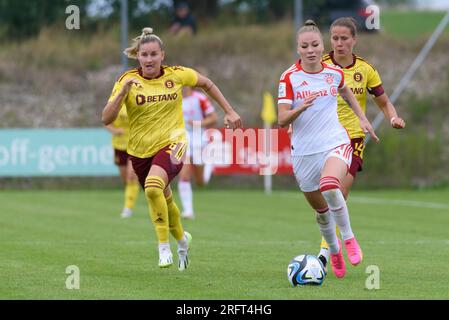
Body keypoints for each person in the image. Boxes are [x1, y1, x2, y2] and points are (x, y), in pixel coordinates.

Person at [101, 27, 241, 271]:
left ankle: (163, 247)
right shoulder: (127, 80)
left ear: (162, 55)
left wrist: (228, 110)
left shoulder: (177, 75)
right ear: (138, 56)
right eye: (144, 54)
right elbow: (106, 118)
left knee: (153, 188)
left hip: (174, 142)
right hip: (140, 150)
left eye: (154, 54)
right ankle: (182, 240)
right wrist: (122, 93)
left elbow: (207, 83)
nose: (149, 59)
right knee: (163, 197)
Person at [277, 20, 379, 278]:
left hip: (335, 141)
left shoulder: (332, 73)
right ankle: (333, 252)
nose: (310, 50)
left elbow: (345, 91)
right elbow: (281, 120)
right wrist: (300, 108)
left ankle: (349, 239)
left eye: (315, 45)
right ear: (298, 49)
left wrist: (362, 118)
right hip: (303, 153)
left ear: (322, 46)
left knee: (331, 185)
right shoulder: (289, 77)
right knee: (321, 212)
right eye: (304, 46)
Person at [317, 17, 406, 268]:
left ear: (354, 40)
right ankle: (333, 246)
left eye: (344, 38)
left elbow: (384, 102)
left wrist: (393, 117)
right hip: (323, 137)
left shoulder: (365, 70)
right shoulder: (320, 65)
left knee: (339, 191)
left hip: (353, 137)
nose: (339, 43)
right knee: (323, 195)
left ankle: (325, 253)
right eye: (335, 38)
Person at [178, 86, 218, 220]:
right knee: (184, 174)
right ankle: (188, 211)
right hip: (182, 138)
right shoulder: (173, 99)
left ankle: (207, 169)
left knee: (200, 182)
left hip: (199, 137)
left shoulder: (200, 98)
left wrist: (198, 123)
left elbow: (213, 118)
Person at [105, 106, 140, 218]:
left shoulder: (137, 101)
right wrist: (115, 131)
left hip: (135, 145)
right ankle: (134, 192)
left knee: (131, 177)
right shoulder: (115, 104)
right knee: (126, 180)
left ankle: (128, 208)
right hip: (119, 146)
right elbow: (106, 122)